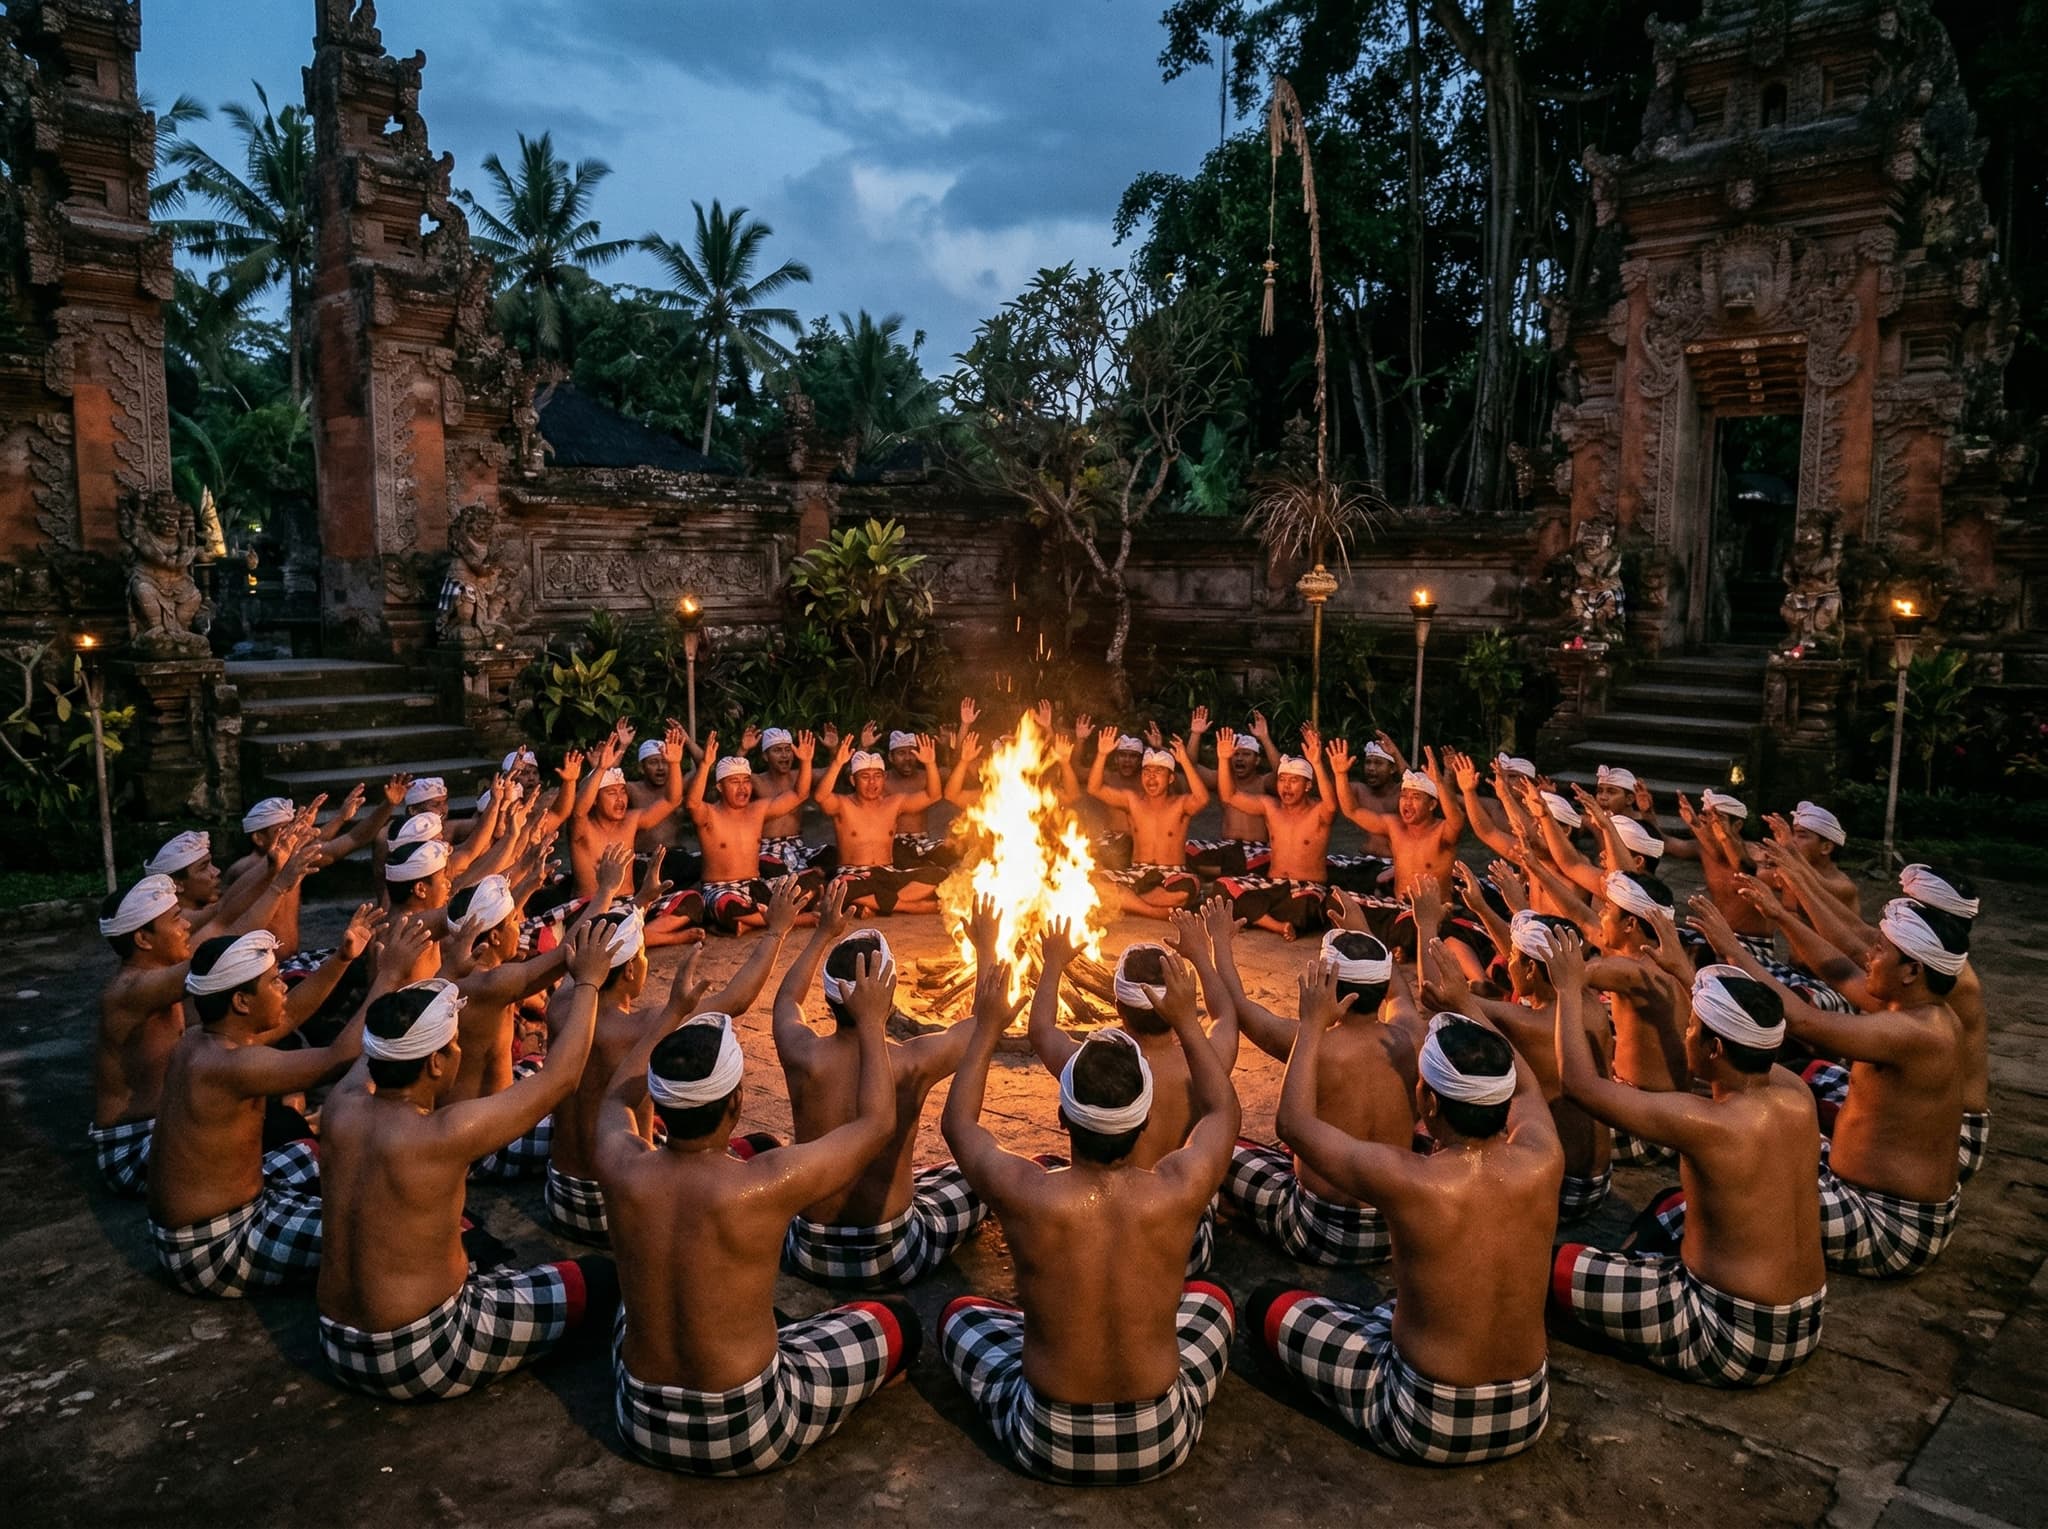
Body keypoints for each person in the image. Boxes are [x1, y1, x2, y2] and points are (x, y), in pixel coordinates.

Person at [597, 952, 918, 1476]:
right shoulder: (765, 1181)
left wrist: (670, 1014)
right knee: (897, 1321)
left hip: (639, 1420)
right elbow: (877, 1124)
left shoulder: (618, 1161)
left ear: (659, 1103)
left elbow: (617, 1094)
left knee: (631, 1297)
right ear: (735, 1104)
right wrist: (873, 1025)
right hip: (747, 1429)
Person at [941, 950, 1240, 1486]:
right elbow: (1224, 1112)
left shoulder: (1025, 1191)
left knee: (957, 1314)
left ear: (1061, 1115)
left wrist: (985, 1029)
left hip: (1046, 1440)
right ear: (1144, 1121)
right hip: (1162, 1436)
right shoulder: (1181, 1186)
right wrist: (1187, 1020)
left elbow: (959, 1124)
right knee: (1214, 1301)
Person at [1249, 980, 1562, 1466]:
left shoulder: (1411, 1179)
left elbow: (1293, 1125)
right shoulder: (1545, 1157)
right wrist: (1466, 1004)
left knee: (1271, 1304)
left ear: (1430, 1105)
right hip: (1529, 1409)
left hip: (1425, 1417)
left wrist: (1311, 1024)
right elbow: (1527, 1086)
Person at [315, 922, 621, 1400]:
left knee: (479, 1249)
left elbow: (382, 1039)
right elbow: (560, 1079)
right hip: (419, 1353)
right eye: (452, 1045)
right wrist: (588, 982)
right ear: (436, 1063)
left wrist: (419, 975)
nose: (458, 1050)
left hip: (335, 1342)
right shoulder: (442, 1133)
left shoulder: (339, 1106)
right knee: (602, 1280)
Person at [1548, 938, 1827, 1386]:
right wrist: (1686, 973)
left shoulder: (1709, 1122)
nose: (1685, 1034)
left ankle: (1628, 1301)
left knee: (1547, 1269)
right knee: (1671, 1203)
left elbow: (1579, 1085)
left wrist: (1566, 989)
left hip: (1731, 1333)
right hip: (1805, 1318)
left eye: (1693, 1027)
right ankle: (1634, 1271)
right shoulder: (1794, 1092)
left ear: (1716, 1048)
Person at [146, 918, 430, 1297]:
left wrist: (343, 959)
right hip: (213, 1245)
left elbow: (292, 1013)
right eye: (275, 981)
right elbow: (339, 1057)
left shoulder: (202, 1038)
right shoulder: (229, 1065)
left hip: (216, 1216)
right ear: (241, 1001)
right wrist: (390, 975)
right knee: (388, 1232)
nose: (284, 988)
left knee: (331, 1159)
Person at [1689, 895, 1968, 1277]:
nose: (1868, 954)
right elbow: (1841, 972)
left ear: (1911, 971)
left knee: (1734, 1184)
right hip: (1867, 1193)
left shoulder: (1914, 1032)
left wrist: (1733, 951)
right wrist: (1782, 913)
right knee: (1768, 1128)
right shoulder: (1919, 1009)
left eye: (1881, 950)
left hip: (1889, 1224)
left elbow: (1803, 1022)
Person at [544, 877, 803, 1243]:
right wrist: (776, 932)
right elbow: (737, 998)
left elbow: (585, 958)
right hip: (621, 1206)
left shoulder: (560, 1005)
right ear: (632, 970)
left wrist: (639, 904)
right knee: (759, 1145)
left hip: (560, 1196)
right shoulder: (644, 1025)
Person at [773, 888, 994, 1289]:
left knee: (932, 1178)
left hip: (805, 1247)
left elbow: (787, 997)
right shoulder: (912, 1061)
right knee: (979, 1175)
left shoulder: (800, 1052)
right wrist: (987, 946)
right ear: (887, 995)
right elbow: (984, 1022)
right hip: (891, 1253)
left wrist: (823, 932)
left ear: (828, 999)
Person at [91, 826, 323, 1196]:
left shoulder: (153, 973)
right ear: (143, 939)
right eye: (175, 921)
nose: (186, 924)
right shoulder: (131, 990)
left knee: (277, 1116)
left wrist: (273, 866)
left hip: (170, 1120)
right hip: (134, 1149)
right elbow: (224, 945)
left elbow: (221, 916)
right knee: (286, 1137)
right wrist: (279, 884)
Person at [1759, 861, 1992, 1181]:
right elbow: (1851, 952)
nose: (1905, 911)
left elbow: (1847, 956)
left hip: (1956, 1135)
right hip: (1927, 1113)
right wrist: (1793, 894)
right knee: (1800, 1072)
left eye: (1913, 906)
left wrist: (1791, 897)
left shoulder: (1946, 985)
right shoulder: (1930, 965)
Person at [1031, 916, 1238, 1274]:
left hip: (1103, 1233)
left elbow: (1042, 1031)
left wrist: (1053, 964)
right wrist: (1201, 956)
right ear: (1180, 1004)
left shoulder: (1090, 1067)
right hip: (1182, 1239)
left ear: (1117, 1005)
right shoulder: (1208, 1062)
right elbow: (1226, 1016)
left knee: (1045, 1167)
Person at [1212, 907, 1416, 1265]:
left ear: (1329, 985)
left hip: (1320, 1230)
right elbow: (1400, 995)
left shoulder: (1308, 1042)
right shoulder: (1413, 1036)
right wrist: (1366, 933)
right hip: (1396, 1226)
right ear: (1381, 986)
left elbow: (1239, 1008)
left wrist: (1217, 943)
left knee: (1219, 1148)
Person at [1421, 906, 1617, 1223]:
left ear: (1530, 970)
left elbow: (1433, 994)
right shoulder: (1588, 1004)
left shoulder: (1528, 1022)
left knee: (1445, 1117)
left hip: (1562, 1189)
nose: (1507, 962)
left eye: (1513, 956)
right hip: (1598, 1178)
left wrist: (1425, 922)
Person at [1212, 725, 1344, 936]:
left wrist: (1317, 763)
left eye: (1293, 781)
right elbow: (1229, 796)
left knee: (1304, 909)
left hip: (1305, 888)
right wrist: (1223, 759)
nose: (1286, 787)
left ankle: (1258, 917)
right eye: (1282, 780)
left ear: (1308, 786)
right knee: (1223, 886)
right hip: (1272, 884)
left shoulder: (1319, 811)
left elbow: (1332, 805)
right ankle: (1276, 925)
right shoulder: (1270, 807)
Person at [688, 729, 819, 933]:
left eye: (746, 781)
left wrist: (806, 762)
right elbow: (692, 803)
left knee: (811, 880)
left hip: (755, 886)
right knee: (728, 906)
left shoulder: (757, 810)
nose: (743, 788)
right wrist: (705, 765)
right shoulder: (709, 814)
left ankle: (748, 922)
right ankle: (795, 919)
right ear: (721, 787)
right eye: (735, 782)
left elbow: (799, 794)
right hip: (722, 889)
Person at [814, 733, 945, 916]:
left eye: (877, 776)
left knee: (937, 874)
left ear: (884, 779)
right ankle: (911, 906)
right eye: (865, 777)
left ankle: (876, 903)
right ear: (853, 780)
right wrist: (837, 764)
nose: (872, 782)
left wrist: (930, 764)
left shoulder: (894, 803)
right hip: (855, 875)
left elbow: (933, 795)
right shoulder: (842, 805)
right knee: (838, 887)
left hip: (887, 873)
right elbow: (821, 796)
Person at [1085, 723, 1207, 918]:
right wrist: (1101, 754)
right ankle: (1154, 912)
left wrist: (1184, 761)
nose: (1151, 777)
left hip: (1172, 874)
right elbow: (1094, 789)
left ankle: (1128, 901)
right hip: (1137, 873)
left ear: (1170, 779)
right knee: (1090, 880)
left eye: (1158, 772)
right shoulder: (1132, 800)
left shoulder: (1181, 804)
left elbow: (1202, 799)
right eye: (1147, 771)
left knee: (1186, 888)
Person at [1328, 742, 1465, 902]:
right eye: (1404, 796)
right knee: (1338, 901)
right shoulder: (1394, 826)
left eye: (1415, 797)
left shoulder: (1442, 831)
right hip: (1399, 906)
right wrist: (1340, 774)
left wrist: (1440, 782)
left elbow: (1456, 819)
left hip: (1433, 913)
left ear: (1432, 804)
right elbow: (1353, 811)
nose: (1407, 803)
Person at [1183, 710, 1279, 878]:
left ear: (1257, 760)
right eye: (1236, 754)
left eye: (1246, 754)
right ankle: (1228, 873)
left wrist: (1265, 738)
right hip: (1227, 846)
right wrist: (1196, 734)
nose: (1239, 759)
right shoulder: (1222, 779)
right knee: (1183, 849)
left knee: (1266, 861)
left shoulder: (1263, 782)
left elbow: (1282, 771)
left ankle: (1219, 873)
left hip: (1258, 849)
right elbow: (1189, 766)